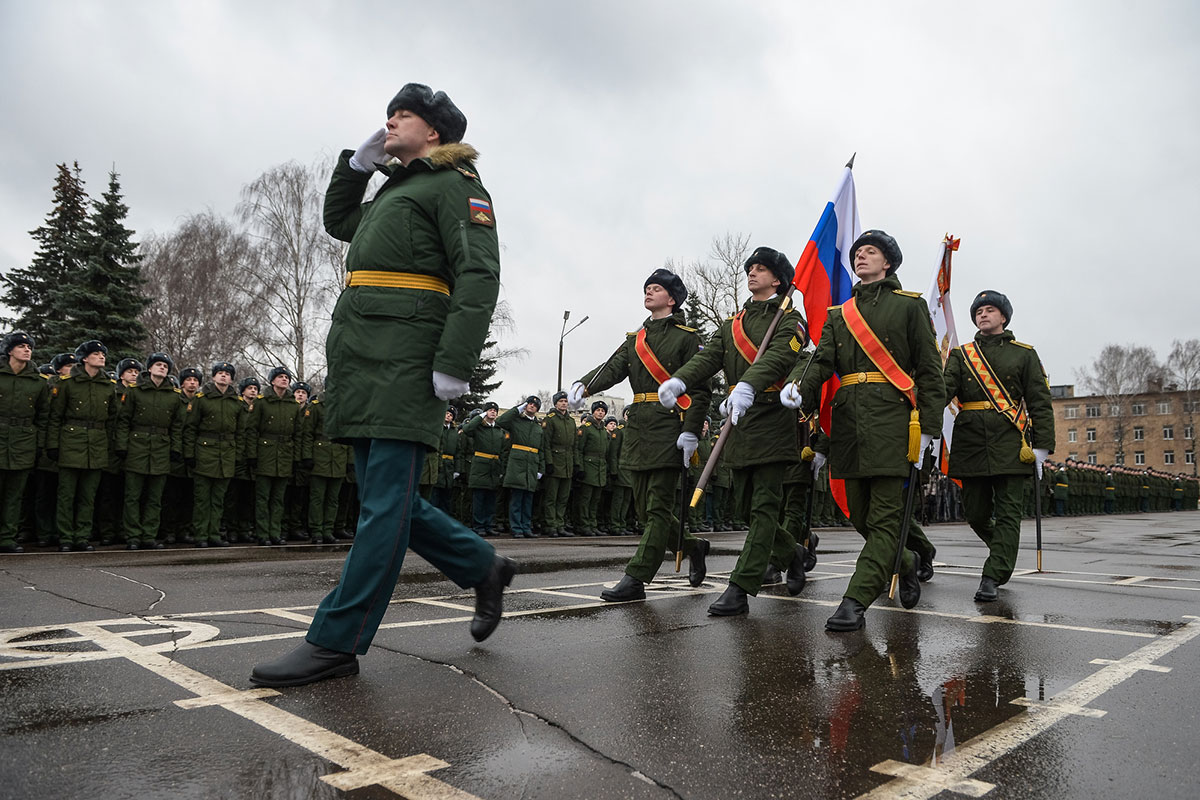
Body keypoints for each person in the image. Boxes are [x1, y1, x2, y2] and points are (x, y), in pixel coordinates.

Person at [252, 83, 514, 688]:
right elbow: (340, 223)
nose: (390, 123)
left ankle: (335, 641)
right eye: (388, 116)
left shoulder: (457, 187)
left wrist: (455, 361)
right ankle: (482, 565)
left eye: (404, 117)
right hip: (365, 354)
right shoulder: (399, 188)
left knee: (382, 510)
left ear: (436, 133)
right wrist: (356, 167)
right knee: (389, 503)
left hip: (407, 357)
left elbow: (480, 272)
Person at [784, 230, 945, 630]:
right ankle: (905, 561)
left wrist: (929, 429)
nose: (861, 257)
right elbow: (821, 363)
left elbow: (929, 371)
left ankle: (854, 601)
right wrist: (799, 389)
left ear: (888, 262)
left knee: (886, 521)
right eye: (857, 252)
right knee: (859, 515)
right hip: (850, 424)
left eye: (870, 252)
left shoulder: (910, 307)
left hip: (893, 422)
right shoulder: (841, 314)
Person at [660, 248, 809, 615]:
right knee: (744, 507)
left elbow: (779, 358)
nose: (753, 273)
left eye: (761, 269)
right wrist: (680, 379)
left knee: (762, 510)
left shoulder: (790, 319)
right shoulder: (731, 324)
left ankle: (741, 587)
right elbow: (707, 359)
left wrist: (748, 385)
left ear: (777, 280)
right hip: (738, 422)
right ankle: (794, 553)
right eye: (751, 269)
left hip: (772, 419)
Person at [569, 268, 712, 600]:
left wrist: (691, 431)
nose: (648, 292)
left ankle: (636, 579)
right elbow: (613, 368)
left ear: (672, 298)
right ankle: (692, 545)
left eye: (656, 288)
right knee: (646, 510)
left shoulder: (687, 337)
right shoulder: (636, 339)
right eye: (646, 287)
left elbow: (700, 390)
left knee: (659, 507)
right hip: (639, 428)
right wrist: (583, 384)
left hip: (669, 425)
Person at [943, 290, 1054, 601]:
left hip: (1010, 441)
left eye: (990, 310)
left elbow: (1040, 403)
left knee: (1008, 515)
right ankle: (1004, 550)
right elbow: (942, 390)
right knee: (975, 514)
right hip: (971, 441)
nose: (983, 315)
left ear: (1003, 317)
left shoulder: (1024, 354)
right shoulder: (961, 355)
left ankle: (993, 574)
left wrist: (1042, 447)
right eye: (979, 311)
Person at [47, 340, 120, 551]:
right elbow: (55, 417)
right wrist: (53, 445)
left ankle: (82, 536)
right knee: (67, 495)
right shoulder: (67, 384)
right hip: (70, 442)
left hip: (96, 445)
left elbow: (112, 420)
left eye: (103, 354)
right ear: (85, 358)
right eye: (96, 354)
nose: (101, 357)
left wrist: (110, 446)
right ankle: (66, 537)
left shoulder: (108, 386)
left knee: (88, 496)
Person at [116, 352, 184, 549]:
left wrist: (175, 449)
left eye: (165, 365)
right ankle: (133, 536)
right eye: (158, 364)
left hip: (161, 449)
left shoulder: (173, 396)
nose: (162, 367)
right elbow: (124, 421)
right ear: (150, 368)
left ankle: (149, 535)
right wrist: (121, 446)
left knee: (154, 498)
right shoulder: (135, 392)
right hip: (137, 447)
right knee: (133, 496)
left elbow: (177, 426)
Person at [183, 362, 243, 547]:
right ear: (213, 376)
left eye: (227, 374)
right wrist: (189, 454)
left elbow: (241, 432)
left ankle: (214, 534)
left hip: (226, 454)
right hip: (205, 452)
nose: (223, 376)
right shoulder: (202, 399)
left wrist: (238, 455)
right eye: (220, 373)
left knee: (218, 499)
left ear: (231, 379)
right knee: (202, 499)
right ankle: (201, 535)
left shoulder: (236, 402)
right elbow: (190, 428)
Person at [246, 366, 307, 545]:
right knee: (263, 497)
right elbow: (251, 430)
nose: (284, 380)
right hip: (265, 453)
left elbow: (298, 434)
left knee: (278, 498)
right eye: (280, 377)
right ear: (272, 381)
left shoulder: (293, 405)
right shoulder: (262, 402)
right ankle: (263, 533)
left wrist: (296, 458)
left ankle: (275, 532)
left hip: (285, 455)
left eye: (286, 377)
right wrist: (252, 455)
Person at [0, 332, 49, 553]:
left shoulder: (37, 382)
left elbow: (43, 416)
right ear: (9, 351)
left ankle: (7, 537)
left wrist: (39, 444)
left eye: (29, 346)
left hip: (23, 441)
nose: (27, 350)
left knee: (15, 494)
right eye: (21, 346)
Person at [497, 396, 545, 538]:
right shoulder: (516, 421)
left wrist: (541, 469)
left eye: (534, 405)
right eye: (529, 404)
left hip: (532, 464)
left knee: (528, 499)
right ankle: (516, 527)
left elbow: (541, 449)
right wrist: (516, 409)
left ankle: (526, 527)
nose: (531, 406)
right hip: (517, 463)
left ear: (537, 409)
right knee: (517, 498)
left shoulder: (538, 427)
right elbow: (500, 421)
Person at [462, 401, 507, 536]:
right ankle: (478, 525)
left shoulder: (499, 430)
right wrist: (480, 416)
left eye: (495, 410)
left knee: (491, 498)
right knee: (479, 498)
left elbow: (503, 450)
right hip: (481, 464)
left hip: (494, 465)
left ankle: (488, 524)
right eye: (490, 410)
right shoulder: (478, 428)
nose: (493, 412)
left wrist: (501, 469)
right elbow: (467, 429)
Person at [540, 391, 576, 536]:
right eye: (561, 401)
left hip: (567, 463)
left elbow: (575, 446)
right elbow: (546, 444)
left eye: (565, 401)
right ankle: (550, 525)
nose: (564, 403)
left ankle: (560, 524)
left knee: (563, 498)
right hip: (555, 462)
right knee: (551, 497)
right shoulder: (550, 419)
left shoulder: (571, 421)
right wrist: (548, 462)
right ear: (555, 404)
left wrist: (576, 464)